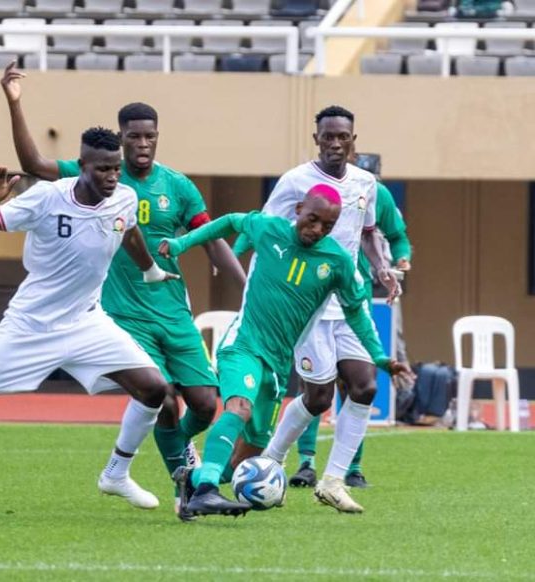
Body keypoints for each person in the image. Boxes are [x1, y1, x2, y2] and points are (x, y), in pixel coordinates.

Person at [0, 128, 177, 518]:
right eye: (104, 169)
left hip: (87, 322)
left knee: (155, 389)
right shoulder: (46, 197)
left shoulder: (123, 198)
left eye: (117, 169)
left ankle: (116, 474)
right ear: (83, 166)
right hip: (28, 326)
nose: (113, 176)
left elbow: (129, 232)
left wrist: (152, 271)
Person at [0, 63, 247, 511]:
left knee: (205, 405)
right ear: (121, 136)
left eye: (150, 135)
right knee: (164, 399)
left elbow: (213, 241)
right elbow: (33, 165)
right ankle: (185, 481)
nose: (143, 143)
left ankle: (178, 451)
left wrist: (247, 292)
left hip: (172, 309)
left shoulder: (179, 186)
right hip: (123, 312)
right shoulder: (99, 172)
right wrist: (15, 102)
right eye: (134, 135)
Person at [159, 186, 412, 518]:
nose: (317, 229)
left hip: (278, 367)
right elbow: (230, 222)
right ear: (297, 209)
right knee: (239, 407)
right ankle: (205, 492)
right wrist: (181, 244)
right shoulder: (269, 228)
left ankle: (190, 478)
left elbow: (356, 314)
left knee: (242, 461)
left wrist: (379, 357)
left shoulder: (336, 261)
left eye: (327, 225)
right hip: (244, 344)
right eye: (312, 219)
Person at [229, 105, 402, 514]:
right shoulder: (295, 181)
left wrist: (383, 267)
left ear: (353, 140)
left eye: (344, 136)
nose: (336, 143)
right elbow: (263, 227)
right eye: (329, 136)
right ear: (317, 139)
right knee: (320, 396)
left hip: (347, 297)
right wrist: (239, 265)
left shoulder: (366, 183)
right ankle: (270, 459)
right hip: (306, 307)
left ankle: (333, 480)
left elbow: (368, 232)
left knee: (365, 386)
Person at [289, 147, 413, 490]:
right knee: (314, 385)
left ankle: (351, 467)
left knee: (359, 382)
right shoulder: (313, 186)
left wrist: (398, 261)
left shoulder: (374, 191)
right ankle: (306, 461)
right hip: (315, 295)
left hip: (354, 295)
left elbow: (394, 234)